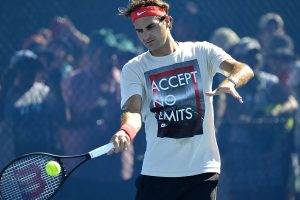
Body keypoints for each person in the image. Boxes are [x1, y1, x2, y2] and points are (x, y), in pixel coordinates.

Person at [108, 0, 254, 200]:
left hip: (202, 172)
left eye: (151, 27)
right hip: (156, 174)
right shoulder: (133, 68)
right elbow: (133, 110)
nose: (146, 36)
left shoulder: (203, 51)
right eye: (139, 31)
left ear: (168, 21)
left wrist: (231, 81)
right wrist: (125, 132)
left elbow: (242, 68)